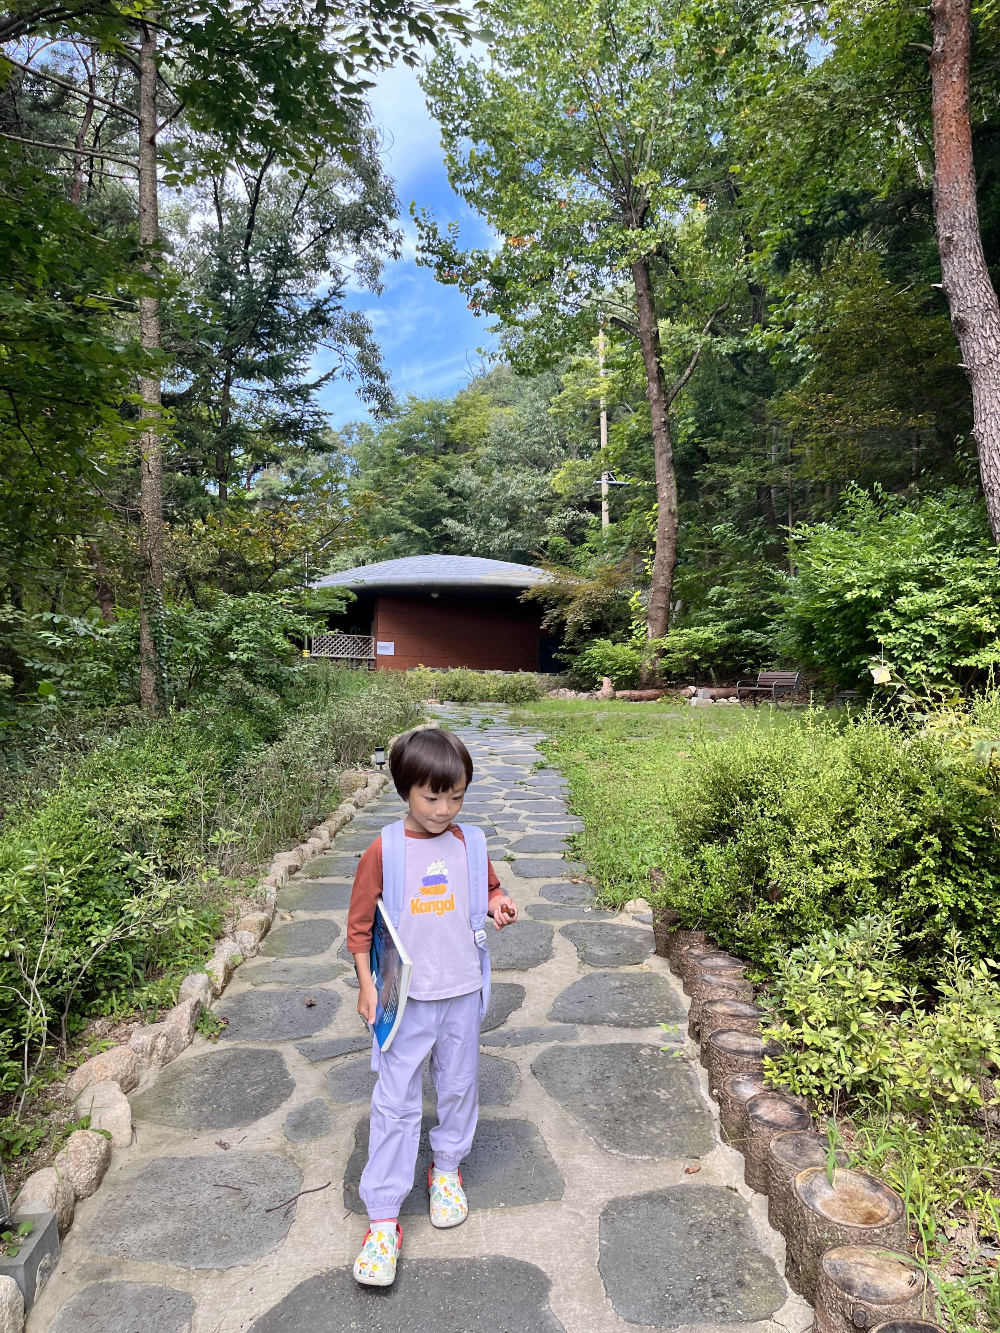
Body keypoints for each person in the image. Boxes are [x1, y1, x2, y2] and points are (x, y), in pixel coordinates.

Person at [346, 725, 518, 1287]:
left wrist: (498, 902)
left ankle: (446, 1169)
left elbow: (487, 889)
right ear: (404, 790)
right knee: (395, 1101)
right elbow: (359, 927)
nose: (444, 810)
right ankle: (383, 1216)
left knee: (459, 1085)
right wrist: (367, 985)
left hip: (462, 992)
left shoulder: (471, 844)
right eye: (432, 797)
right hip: (405, 1001)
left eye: (456, 797)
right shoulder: (385, 850)